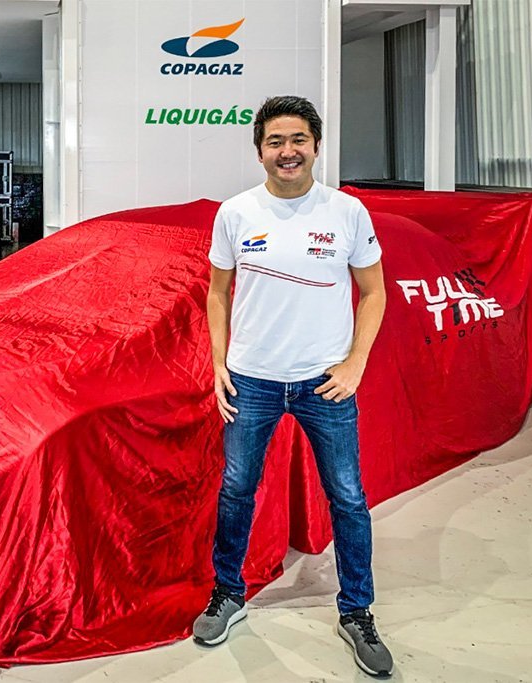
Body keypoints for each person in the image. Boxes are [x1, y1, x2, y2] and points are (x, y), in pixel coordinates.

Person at [192, 95, 393, 677]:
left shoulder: (347, 212)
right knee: (236, 491)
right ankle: (228, 594)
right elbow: (216, 292)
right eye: (275, 141)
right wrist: (219, 363)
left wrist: (355, 363)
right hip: (251, 381)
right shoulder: (235, 213)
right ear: (259, 151)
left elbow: (375, 292)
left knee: (348, 499)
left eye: (298, 139)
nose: (288, 151)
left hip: (325, 383)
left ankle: (356, 612)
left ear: (316, 146)